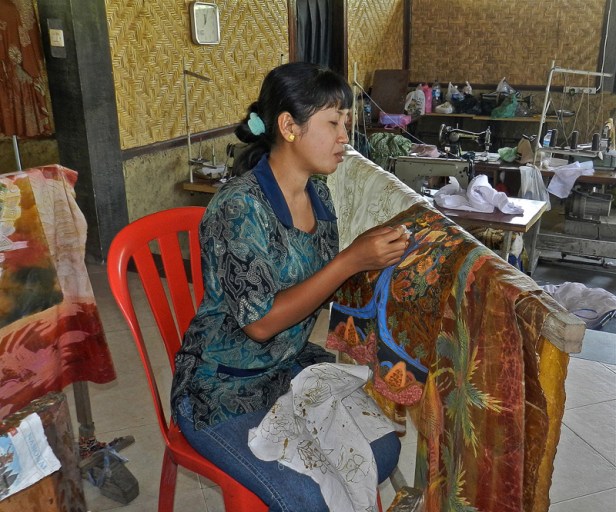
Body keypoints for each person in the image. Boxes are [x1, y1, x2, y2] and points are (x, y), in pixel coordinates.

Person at [171, 62, 410, 511]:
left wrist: (384, 263)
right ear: (289, 126)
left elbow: (323, 285)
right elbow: (260, 324)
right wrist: (350, 261)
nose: (345, 137)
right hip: (223, 387)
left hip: (286, 367)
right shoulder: (240, 207)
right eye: (333, 123)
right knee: (307, 497)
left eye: (346, 123)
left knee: (382, 451)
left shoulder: (318, 196)